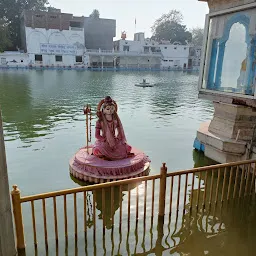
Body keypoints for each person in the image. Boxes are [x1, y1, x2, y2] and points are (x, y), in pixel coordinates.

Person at [92, 96, 132, 160]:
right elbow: (97, 135)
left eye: (112, 109)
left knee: (128, 148)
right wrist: (104, 140)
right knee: (97, 151)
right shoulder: (100, 121)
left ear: (114, 109)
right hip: (104, 141)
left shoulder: (115, 120)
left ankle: (110, 154)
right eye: (107, 109)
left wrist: (119, 138)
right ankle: (104, 154)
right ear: (103, 110)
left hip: (114, 141)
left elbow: (120, 131)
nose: (110, 111)